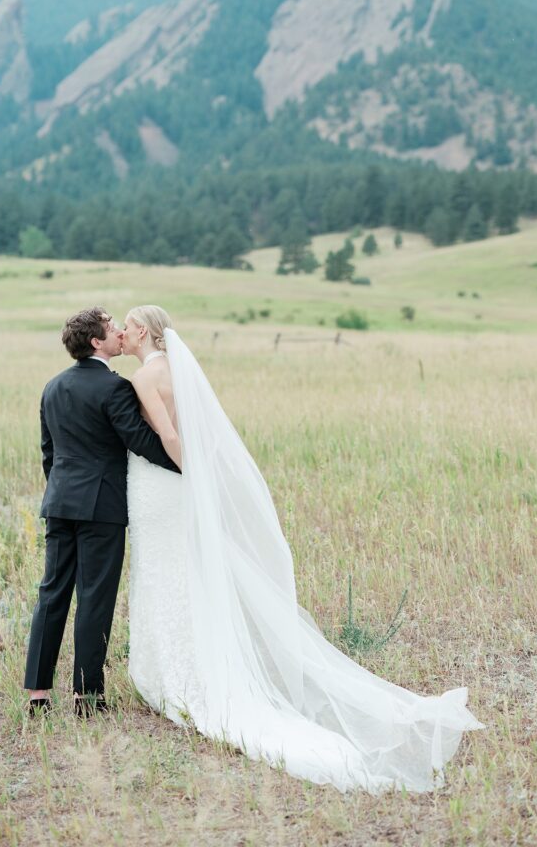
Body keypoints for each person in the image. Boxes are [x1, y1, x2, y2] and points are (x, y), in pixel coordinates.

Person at [122, 305, 483, 793]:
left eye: (125, 326)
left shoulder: (146, 377)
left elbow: (168, 435)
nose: (121, 334)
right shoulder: (178, 368)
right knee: (187, 573)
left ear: (142, 330)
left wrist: (195, 485)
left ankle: (177, 676)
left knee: (168, 572)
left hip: (166, 486)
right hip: (181, 484)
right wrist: (204, 486)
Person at [23, 306, 178, 717]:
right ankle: (87, 697)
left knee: (52, 594)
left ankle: (37, 694)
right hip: (101, 508)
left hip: (59, 504)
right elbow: (140, 440)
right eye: (111, 327)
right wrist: (184, 466)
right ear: (97, 342)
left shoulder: (52, 387)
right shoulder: (115, 388)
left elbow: (48, 453)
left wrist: (60, 492)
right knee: (94, 597)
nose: (118, 332)